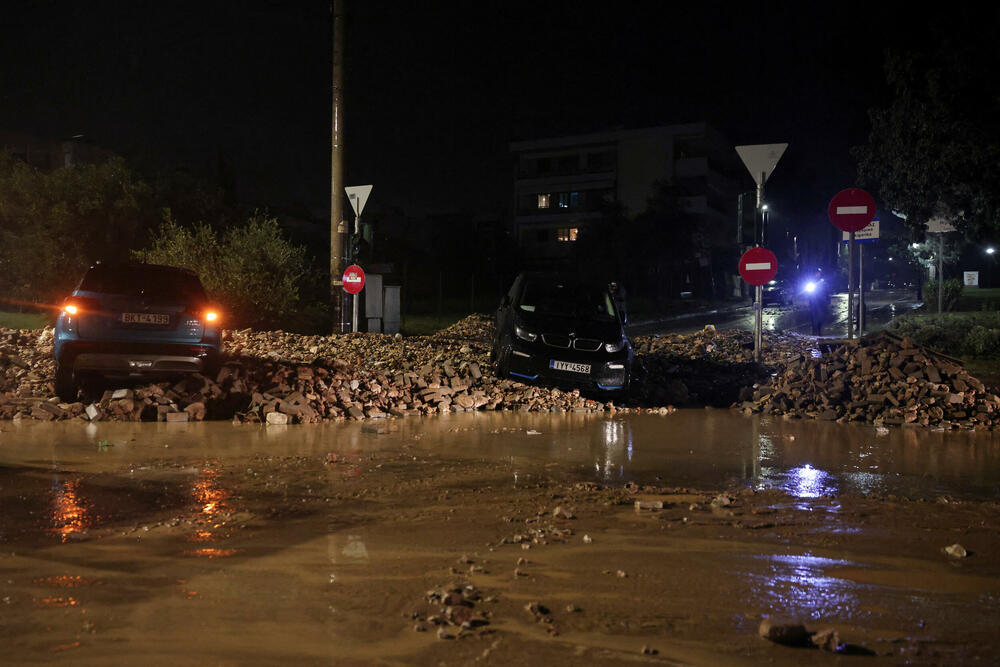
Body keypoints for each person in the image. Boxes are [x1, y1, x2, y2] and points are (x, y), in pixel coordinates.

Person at [805, 268, 826, 336]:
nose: (817, 274)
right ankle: (814, 330)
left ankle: (819, 330)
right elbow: (808, 291)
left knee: (820, 316)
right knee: (813, 316)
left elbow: (826, 291)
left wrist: (826, 299)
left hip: (821, 301)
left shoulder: (823, 281)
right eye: (816, 273)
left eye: (818, 273)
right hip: (813, 301)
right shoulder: (812, 282)